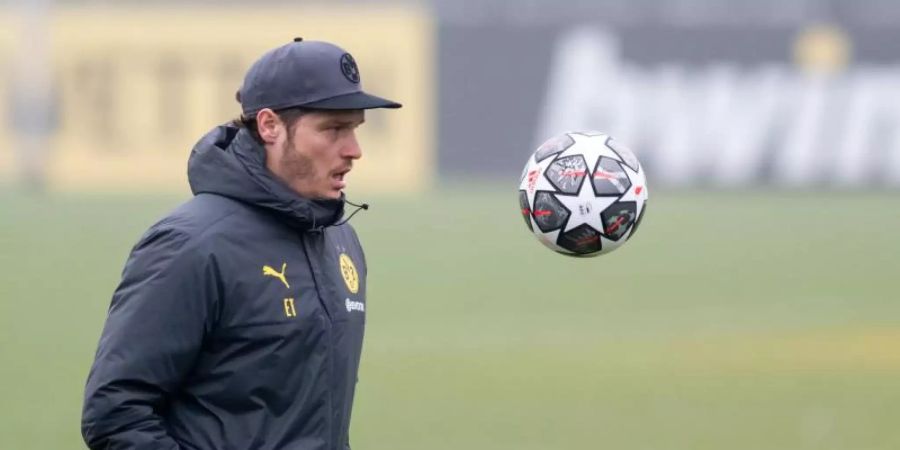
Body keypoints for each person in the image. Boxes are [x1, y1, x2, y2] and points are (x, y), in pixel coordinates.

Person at [81, 37, 401, 450]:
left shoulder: (340, 239)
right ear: (269, 125)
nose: (354, 150)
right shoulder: (191, 245)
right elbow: (115, 414)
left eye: (355, 129)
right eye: (333, 129)